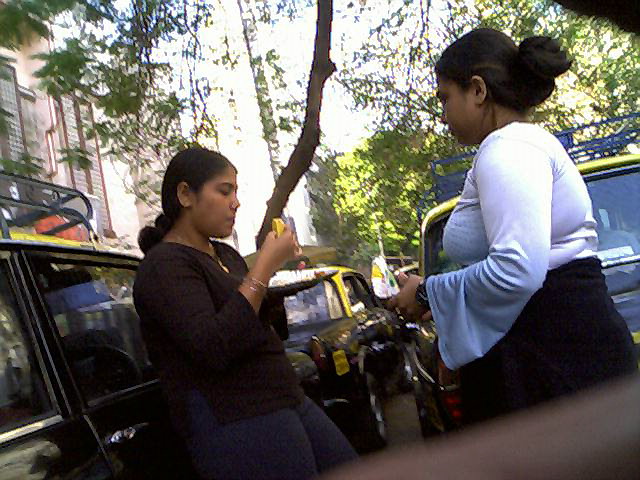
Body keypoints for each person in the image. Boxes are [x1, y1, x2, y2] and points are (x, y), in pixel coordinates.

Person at [390, 29, 637, 424]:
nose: (442, 115)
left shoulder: (508, 149)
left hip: (554, 360)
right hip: (555, 355)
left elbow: (518, 269)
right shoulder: (516, 146)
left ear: (477, 90)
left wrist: (426, 293)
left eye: (444, 98)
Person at [133, 148, 357, 479]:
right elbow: (214, 346)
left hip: (285, 395)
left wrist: (272, 295)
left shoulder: (225, 255)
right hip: (238, 415)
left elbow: (256, 324)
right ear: (185, 195)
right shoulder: (164, 266)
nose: (235, 203)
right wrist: (264, 266)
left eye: (235, 192)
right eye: (224, 191)